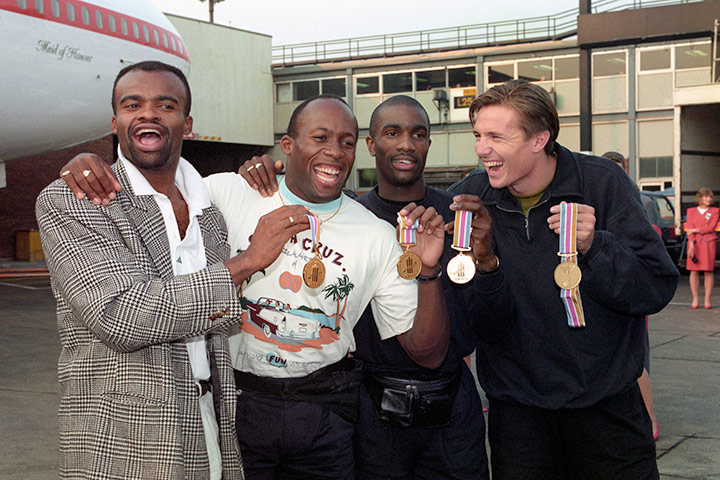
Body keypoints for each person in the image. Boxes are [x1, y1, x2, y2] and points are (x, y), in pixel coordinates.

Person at [59, 94, 450, 479]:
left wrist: (428, 271)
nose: (335, 151)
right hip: (236, 403)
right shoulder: (227, 192)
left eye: (347, 142)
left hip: (324, 411)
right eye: (320, 138)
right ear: (287, 145)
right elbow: (151, 191)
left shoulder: (377, 235)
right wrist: (92, 166)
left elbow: (427, 354)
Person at [37, 61, 313, 479]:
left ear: (187, 124)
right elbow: (120, 315)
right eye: (133, 104)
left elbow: (220, 321)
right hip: (122, 437)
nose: (148, 113)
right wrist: (246, 263)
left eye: (165, 105)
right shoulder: (73, 198)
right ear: (116, 122)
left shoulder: (210, 210)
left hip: (212, 421)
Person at [241, 95, 507, 479]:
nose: (405, 144)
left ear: (429, 144)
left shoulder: (459, 217)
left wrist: (487, 263)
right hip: (371, 412)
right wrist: (257, 172)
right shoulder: (347, 219)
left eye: (418, 134)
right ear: (370, 144)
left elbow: (494, 323)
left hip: (452, 410)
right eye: (392, 132)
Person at [449, 80, 679, 479]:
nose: (481, 149)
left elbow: (654, 288)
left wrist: (596, 248)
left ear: (540, 139)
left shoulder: (601, 183)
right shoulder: (471, 199)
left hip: (607, 416)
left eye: (496, 137)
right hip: (519, 420)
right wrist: (486, 265)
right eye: (478, 135)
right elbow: (483, 325)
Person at [601, 150, 660, 441]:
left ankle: (648, 420)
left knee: (635, 360)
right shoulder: (596, 197)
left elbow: (652, 246)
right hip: (609, 287)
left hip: (630, 287)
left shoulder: (642, 201)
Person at [685, 187, 719, 309]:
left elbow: (711, 227)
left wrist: (696, 229)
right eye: (706, 196)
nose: (709, 199)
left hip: (708, 244)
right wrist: (692, 245)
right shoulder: (691, 211)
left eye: (710, 197)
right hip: (694, 244)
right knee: (693, 271)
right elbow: (689, 229)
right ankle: (695, 299)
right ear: (700, 198)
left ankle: (707, 300)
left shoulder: (715, 211)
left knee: (708, 271)